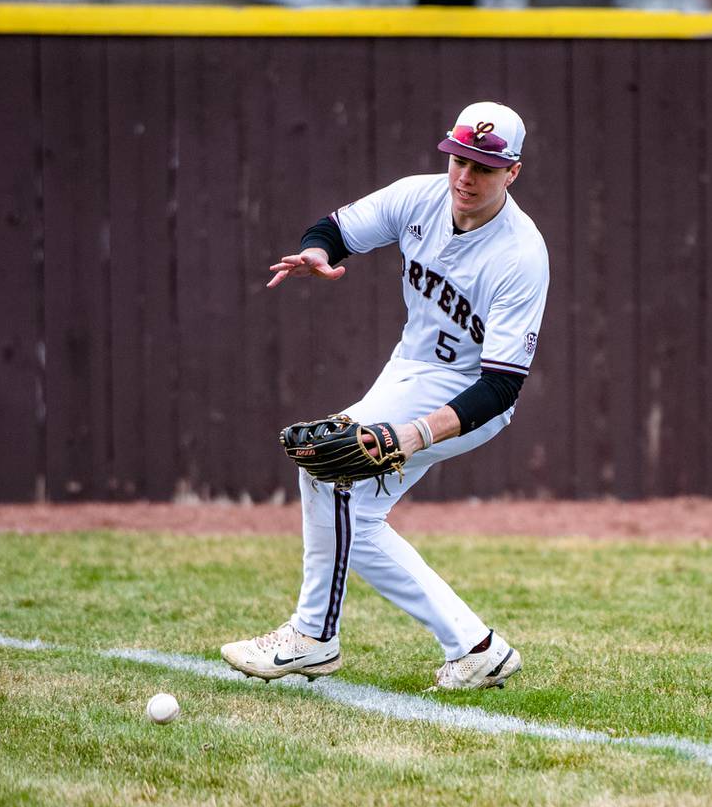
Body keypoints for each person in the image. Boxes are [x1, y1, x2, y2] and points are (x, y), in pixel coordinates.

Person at [221, 101, 549, 691]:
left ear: (513, 172)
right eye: (458, 159)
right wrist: (317, 253)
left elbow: (501, 386)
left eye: (482, 166)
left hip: (468, 393)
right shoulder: (418, 196)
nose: (465, 177)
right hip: (410, 367)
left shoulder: (521, 255)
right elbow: (336, 230)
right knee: (347, 496)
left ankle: (313, 637)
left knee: (330, 470)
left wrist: (411, 435)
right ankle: (475, 648)